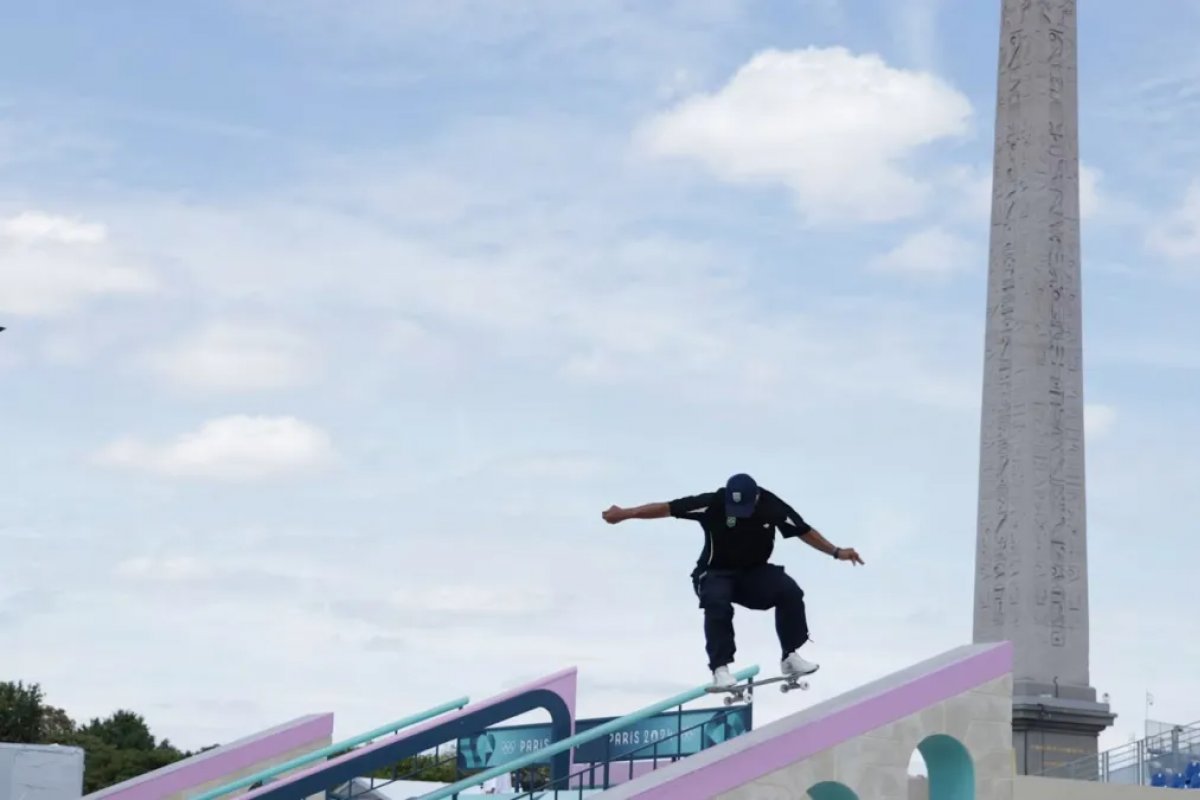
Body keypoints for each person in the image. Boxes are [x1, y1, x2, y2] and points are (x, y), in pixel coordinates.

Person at [602, 473, 863, 688]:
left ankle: (789, 656)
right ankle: (720, 669)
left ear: (757, 497)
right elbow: (667, 508)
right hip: (714, 573)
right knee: (717, 602)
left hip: (753, 575)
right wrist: (626, 513)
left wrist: (837, 552)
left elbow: (803, 531)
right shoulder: (713, 502)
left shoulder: (771, 506)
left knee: (789, 591)